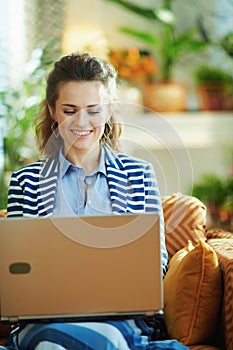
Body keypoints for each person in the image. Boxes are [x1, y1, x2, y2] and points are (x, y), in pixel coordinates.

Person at [6, 52, 186, 350]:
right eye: (69, 110)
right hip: (43, 320)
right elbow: (16, 269)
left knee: (100, 338)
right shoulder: (26, 180)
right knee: (54, 339)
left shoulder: (139, 174)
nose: (82, 122)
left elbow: (156, 262)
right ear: (52, 110)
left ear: (108, 111)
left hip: (121, 319)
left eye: (93, 110)